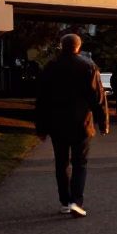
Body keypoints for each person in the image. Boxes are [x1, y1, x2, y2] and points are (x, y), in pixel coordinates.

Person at [36, 34, 108, 218]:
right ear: (79, 48)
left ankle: (65, 201)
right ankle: (76, 201)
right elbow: (98, 98)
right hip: (81, 122)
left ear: (61, 47)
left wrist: (41, 128)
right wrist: (103, 122)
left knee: (61, 163)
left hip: (57, 123)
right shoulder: (89, 68)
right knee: (80, 162)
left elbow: (42, 101)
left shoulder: (50, 68)